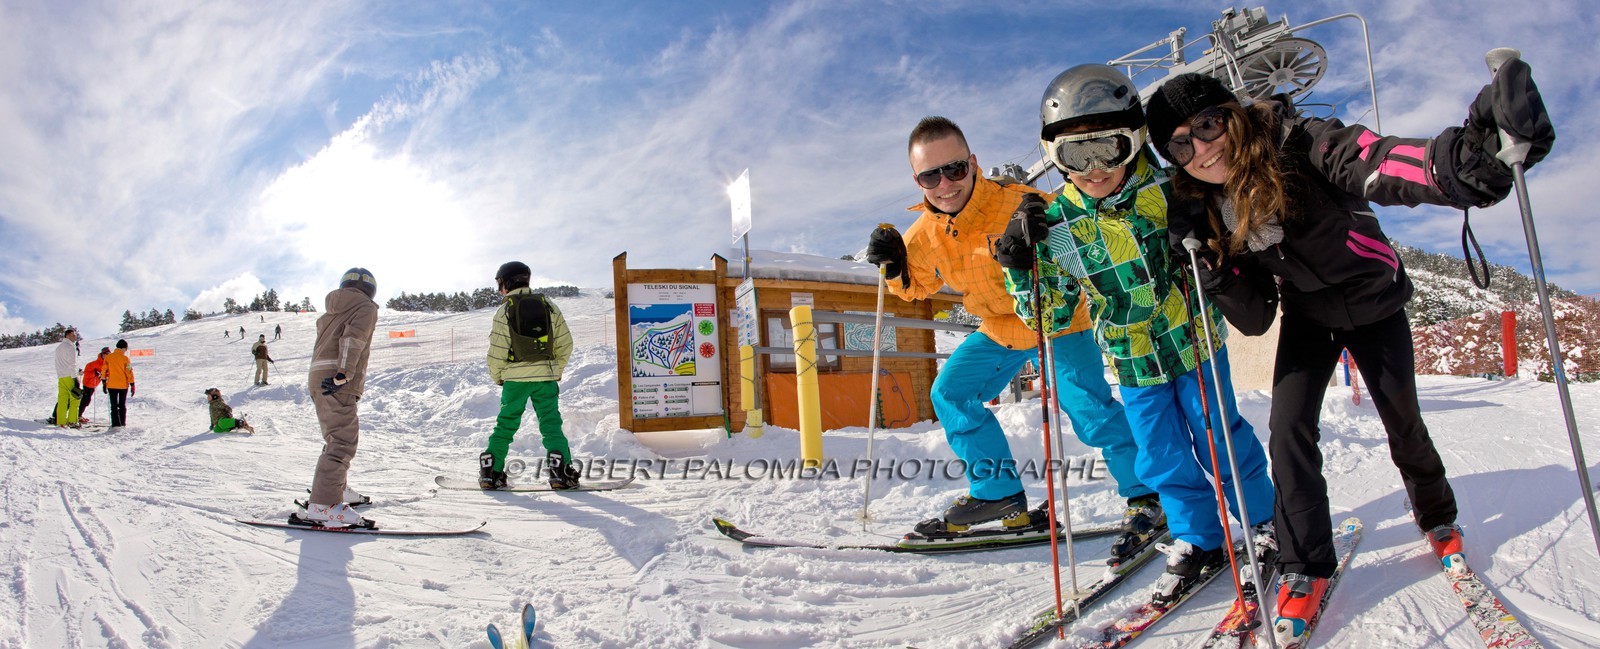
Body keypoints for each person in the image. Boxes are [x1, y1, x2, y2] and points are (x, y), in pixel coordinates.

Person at [1146, 60, 1553, 641]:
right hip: (1309, 314)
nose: (1202, 150)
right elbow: (1257, 317)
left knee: (1403, 422)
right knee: (1287, 432)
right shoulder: (1215, 208)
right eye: (1181, 146)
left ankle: (1438, 518)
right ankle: (1305, 563)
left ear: (1232, 115)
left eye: (1208, 126)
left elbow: (1380, 163)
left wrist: (1460, 161)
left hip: (1374, 303)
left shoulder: (1302, 143)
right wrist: (1215, 265)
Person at [995, 65, 1276, 602]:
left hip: (1194, 340)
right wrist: (1019, 264)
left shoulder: (1172, 186)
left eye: (1112, 148)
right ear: (1054, 158)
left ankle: (1263, 521)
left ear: (1138, 140)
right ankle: (1200, 537)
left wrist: (1201, 227)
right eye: (1078, 157)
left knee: (1220, 434)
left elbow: (1237, 231)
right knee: (1161, 455)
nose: (1098, 168)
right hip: (1133, 361)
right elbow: (1048, 318)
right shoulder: (1057, 226)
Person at [864, 115, 1157, 549]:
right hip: (999, 326)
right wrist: (894, 267)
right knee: (951, 391)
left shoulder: (1023, 203)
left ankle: (1147, 496)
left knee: (1089, 410)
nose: (945, 184)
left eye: (955, 169)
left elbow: (1084, 251)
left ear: (973, 162)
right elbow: (917, 287)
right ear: (917, 180)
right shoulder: (923, 235)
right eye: (930, 175)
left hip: (1055, 318)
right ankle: (997, 494)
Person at [478, 261, 578, 490]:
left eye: (500, 284)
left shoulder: (504, 310)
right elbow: (566, 343)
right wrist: (555, 369)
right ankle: (561, 473)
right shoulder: (549, 306)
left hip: (514, 380)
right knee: (551, 424)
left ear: (507, 282)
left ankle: (491, 472)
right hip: (545, 378)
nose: (499, 289)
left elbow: (497, 351)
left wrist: (499, 376)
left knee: (505, 425)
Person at [295, 268, 380, 528]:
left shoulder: (330, 311)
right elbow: (352, 339)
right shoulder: (365, 307)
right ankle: (324, 505)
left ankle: (335, 489)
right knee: (343, 441)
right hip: (336, 379)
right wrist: (343, 374)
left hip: (318, 377)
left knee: (335, 436)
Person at [52, 327, 82, 428]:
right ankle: (72, 421)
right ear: (67, 336)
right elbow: (72, 364)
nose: (75, 337)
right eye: (73, 335)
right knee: (75, 398)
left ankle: (61, 421)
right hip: (70, 376)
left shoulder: (59, 347)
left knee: (62, 399)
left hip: (61, 376)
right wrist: (75, 379)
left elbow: (58, 363)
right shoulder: (70, 347)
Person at [103, 339, 136, 428]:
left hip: (111, 385)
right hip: (123, 385)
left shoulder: (108, 357)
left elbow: (104, 370)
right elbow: (129, 371)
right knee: (122, 404)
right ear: (124, 348)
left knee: (113, 405)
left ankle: (115, 423)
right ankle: (122, 422)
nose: (126, 350)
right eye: (126, 348)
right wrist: (132, 384)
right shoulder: (125, 359)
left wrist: (103, 382)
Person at [78, 347, 109, 421]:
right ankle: (78, 415)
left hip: (94, 385)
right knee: (86, 400)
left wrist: (105, 384)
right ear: (102, 354)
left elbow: (106, 375)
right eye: (105, 354)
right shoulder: (92, 364)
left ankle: (78, 415)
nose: (106, 356)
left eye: (108, 354)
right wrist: (94, 373)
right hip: (87, 383)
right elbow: (86, 373)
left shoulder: (107, 364)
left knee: (86, 400)